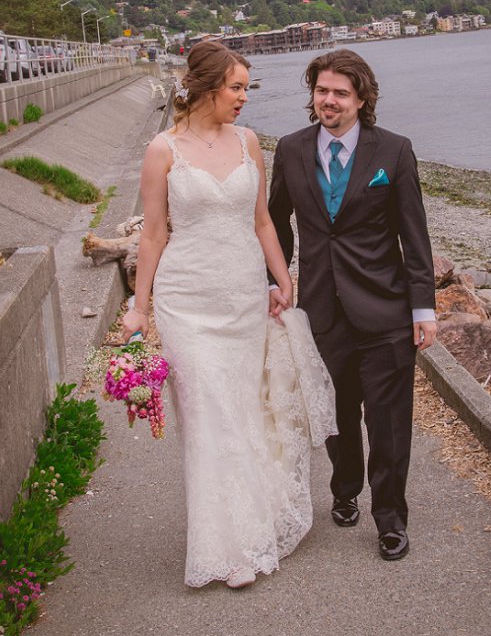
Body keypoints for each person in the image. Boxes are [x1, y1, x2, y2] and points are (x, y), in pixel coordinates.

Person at [123, 39, 337, 589]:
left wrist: (282, 277)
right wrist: (138, 307)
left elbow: (263, 220)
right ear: (205, 87)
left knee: (242, 412)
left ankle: (252, 522)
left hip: (243, 297)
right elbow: (153, 233)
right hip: (186, 302)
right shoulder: (162, 150)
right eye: (236, 87)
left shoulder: (249, 143)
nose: (244, 97)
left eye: (247, 87)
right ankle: (222, 549)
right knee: (206, 418)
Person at [267, 49, 438, 562]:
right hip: (322, 309)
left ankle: (390, 517)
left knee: (387, 423)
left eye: (340, 93)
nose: (329, 101)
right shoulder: (292, 151)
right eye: (322, 91)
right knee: (336, 417)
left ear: (362, 99)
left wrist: (422, 309)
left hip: (385, 310)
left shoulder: (395, 152)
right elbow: (275, 224)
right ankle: (344, 491)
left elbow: (415, 235)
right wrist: (275, 282)